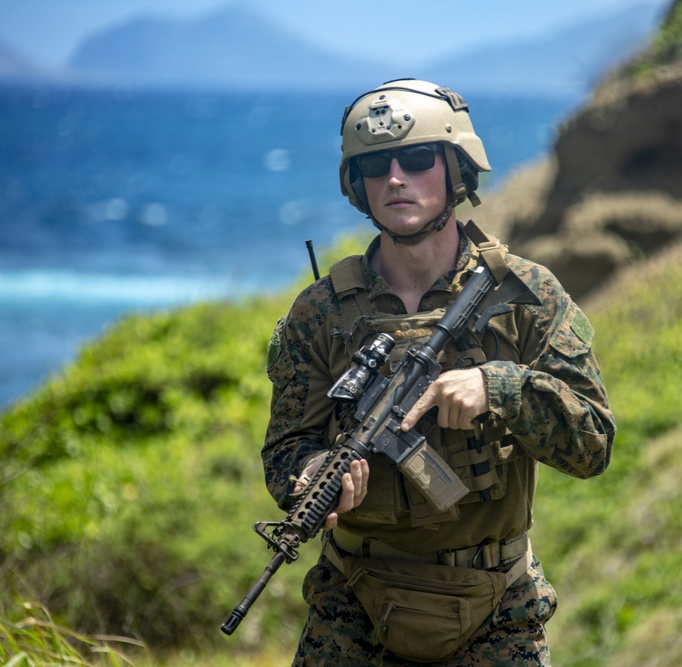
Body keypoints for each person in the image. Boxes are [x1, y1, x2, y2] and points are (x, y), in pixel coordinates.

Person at [261, 78, 615, 666]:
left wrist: (501, 387)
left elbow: (593, 445)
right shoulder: (321, 312)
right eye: (375, 164)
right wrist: (310, 473)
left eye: (418, 157)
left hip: (498, 612)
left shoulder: (525, 295)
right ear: (357, 183)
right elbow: (285, 450)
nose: (395, 177)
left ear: (457, 170)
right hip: (351, 609)